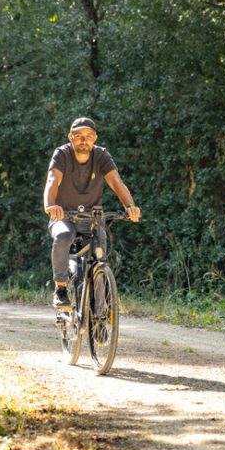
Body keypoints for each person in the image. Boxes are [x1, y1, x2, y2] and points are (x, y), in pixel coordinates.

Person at [43, 117, 140, 309]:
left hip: (92, 219)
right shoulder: (62, 154)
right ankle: (61, 289)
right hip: (64, 216)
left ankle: (100, 314)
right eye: (78, 136)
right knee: (63, 236)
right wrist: (51, 205)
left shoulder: (101, 156)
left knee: (99, 260)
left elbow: (116, 182)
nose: (83, 140)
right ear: (71, 137)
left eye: (88, 136)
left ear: (95, 138)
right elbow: (52, 180)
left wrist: (130, 206)